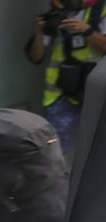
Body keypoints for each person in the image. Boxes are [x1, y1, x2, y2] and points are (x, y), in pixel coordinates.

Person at [26, 0, 106, 154]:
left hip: (97, 91)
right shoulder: (56, 14)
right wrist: (39, 32)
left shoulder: (101, 10)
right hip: (61, 93)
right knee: (54, 153)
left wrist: (87, 31)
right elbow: (36, 57)